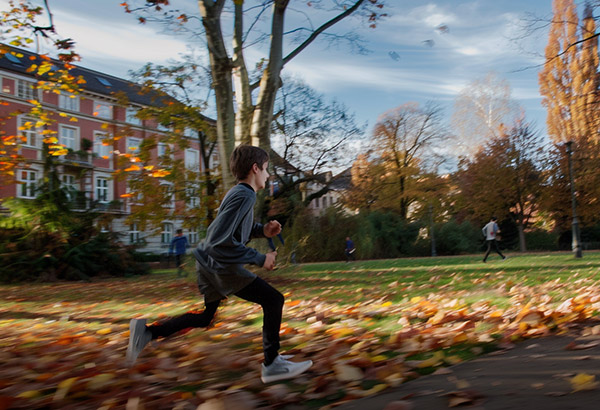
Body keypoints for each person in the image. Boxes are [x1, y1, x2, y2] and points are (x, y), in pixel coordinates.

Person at [126, 145, 312, 383]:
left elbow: (233, 231)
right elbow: (219, 241)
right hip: (219, 264)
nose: (268, 175)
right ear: (255, 169)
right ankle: (272, 363)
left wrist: (263, 230)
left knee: (206, 318)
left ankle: (147, 332)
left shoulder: (239, 193)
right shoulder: (245, 195)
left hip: (207, 262)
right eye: (266, 169)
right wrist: (260, 259)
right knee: (274, 299)